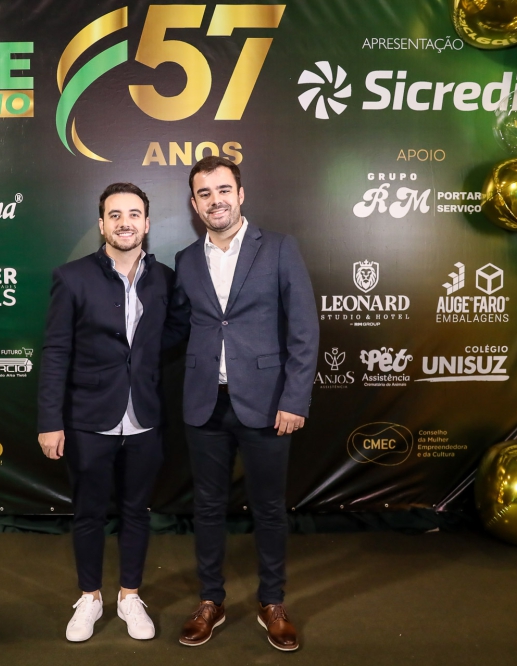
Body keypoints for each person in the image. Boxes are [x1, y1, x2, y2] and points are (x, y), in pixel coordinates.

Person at [167, 156, 319, 652]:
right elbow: (180, 327)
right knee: (208, 507)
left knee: (270, 508)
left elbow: (303, 329)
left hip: (268, 403)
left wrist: (294, 398)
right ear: (194, 205)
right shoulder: (186, 260)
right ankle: (210, 601)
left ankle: (272, 602)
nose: (216, 200)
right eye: (205, 193)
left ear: (241, 194)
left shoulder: (278, 248)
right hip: (204, 404)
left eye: (223, 190)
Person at [37, 183, 174, 642]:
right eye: (115, 215)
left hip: (145, 417)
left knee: (137, 511)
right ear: (101, 225)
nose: (124, 223)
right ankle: (90, 597)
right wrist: (50, 421)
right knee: (89, 513)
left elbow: (171, 336)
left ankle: (130, 595)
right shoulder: (71, 277)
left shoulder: (165, 279)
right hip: (87, 418)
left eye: (133, 214)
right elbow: (56, 351)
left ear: (146, 224)